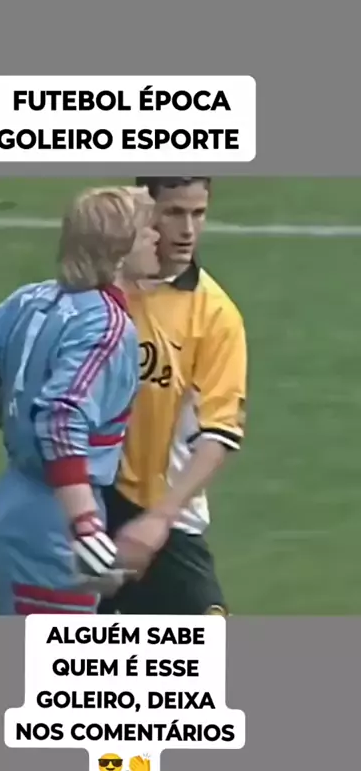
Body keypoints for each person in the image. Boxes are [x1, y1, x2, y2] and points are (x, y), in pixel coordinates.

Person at [0, 186, 160, 615]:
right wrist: (84, 524)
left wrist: (10, 414)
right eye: (147, 230)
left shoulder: (34, 299)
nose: (157, 237)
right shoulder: (108, 326)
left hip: (10, 509)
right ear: (120, 248)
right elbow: (60, 418)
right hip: (54, 525)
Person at [99, 176, 248, 617]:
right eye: (174, 213)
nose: (187, 230)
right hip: (87, 507)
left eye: (198, 214)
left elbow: (219, 433)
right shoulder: (99, 294)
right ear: (146, 212)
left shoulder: (214, 315)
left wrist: (159, 519)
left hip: (164, 519)